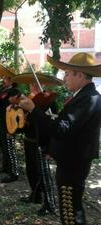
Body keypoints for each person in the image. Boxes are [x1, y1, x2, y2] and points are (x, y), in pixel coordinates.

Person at [19, 53, 101, 225]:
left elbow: (62, 128)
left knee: (71, 210)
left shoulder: (88, 99)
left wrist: (34, 110)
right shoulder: (84, 96)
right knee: (69, 208)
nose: (64, 78)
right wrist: (53, 149)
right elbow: (70, 130)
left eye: (67, 73)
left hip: (74, 163)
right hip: (71, 160)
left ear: (79, 75)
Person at [11, 72, 63, 215]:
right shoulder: (27, 99)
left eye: (36, 83)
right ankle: (35, 196)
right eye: (31, 83)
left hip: (41, 142)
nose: (33, 86)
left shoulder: (49, 100)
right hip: (28, 140)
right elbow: (22, 121)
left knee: (44, 174)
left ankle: (49, 203)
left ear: (43, 85)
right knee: (31, 171)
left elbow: (51, 123)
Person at [0, 63, 20, 183]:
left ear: (11, 80)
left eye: (5, 78)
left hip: (9, 124)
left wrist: (11, 129)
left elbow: (15, 110)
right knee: (4, 146)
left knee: (10, 148)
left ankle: (14, 173)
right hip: (0, 123)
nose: (2, 80)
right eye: (2, 78)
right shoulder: (4, 91)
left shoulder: (14, 92)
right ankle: (6, 167)